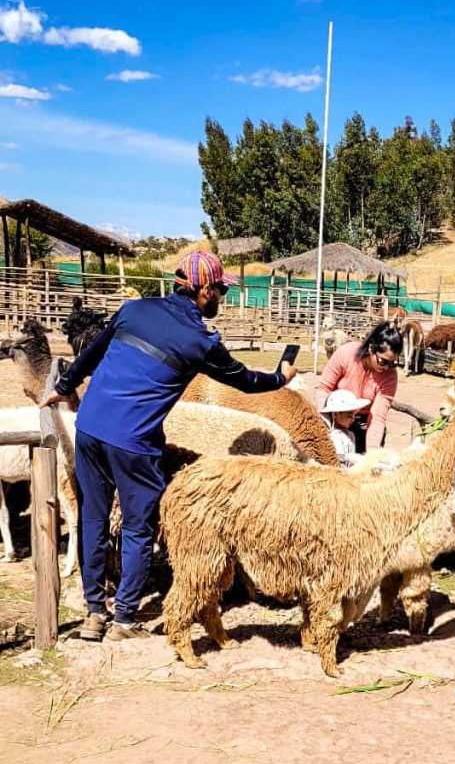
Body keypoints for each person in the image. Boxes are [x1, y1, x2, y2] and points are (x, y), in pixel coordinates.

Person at [40, 251, 297, 643]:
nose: (222, 298)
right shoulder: (201, 340)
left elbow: (92, 354)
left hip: (89, 428)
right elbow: (244, 381)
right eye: (221, 291)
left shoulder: (134, 309)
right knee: (138, 527)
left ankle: (94, 613)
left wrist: (62, 388)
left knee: (92, 518)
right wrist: (281, 377)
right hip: (134, 443)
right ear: (204, 290)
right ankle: (124, 619)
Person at [314, 322, 402, 453]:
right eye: (383, 361)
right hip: (336, 418)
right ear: (372, 348)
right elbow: (322, 388)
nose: (386, 367)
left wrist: (371, 455)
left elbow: (378, 417)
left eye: (391, 363)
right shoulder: (346, 354)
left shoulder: (390, 376)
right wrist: (330, 421)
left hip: (365, 423)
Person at [320, 389, 371, 467]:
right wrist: (349, 457)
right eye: (349, 416)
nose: (353, 419)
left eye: (354, 416)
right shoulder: (334, 436)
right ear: (335, 415)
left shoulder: (351, 435)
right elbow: (336, 457)